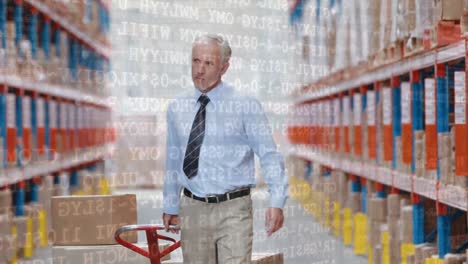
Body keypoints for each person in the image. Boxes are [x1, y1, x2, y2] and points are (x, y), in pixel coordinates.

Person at [162, 34, 288, 264]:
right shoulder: (176, 107)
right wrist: (170, 203)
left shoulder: (244, 105)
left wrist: (276, 201)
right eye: (195, 61)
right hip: (192, 209)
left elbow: (269, 155)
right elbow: (174, 158)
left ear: (224, 67)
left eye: (208, 63)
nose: (199, 70)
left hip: (233, 209)